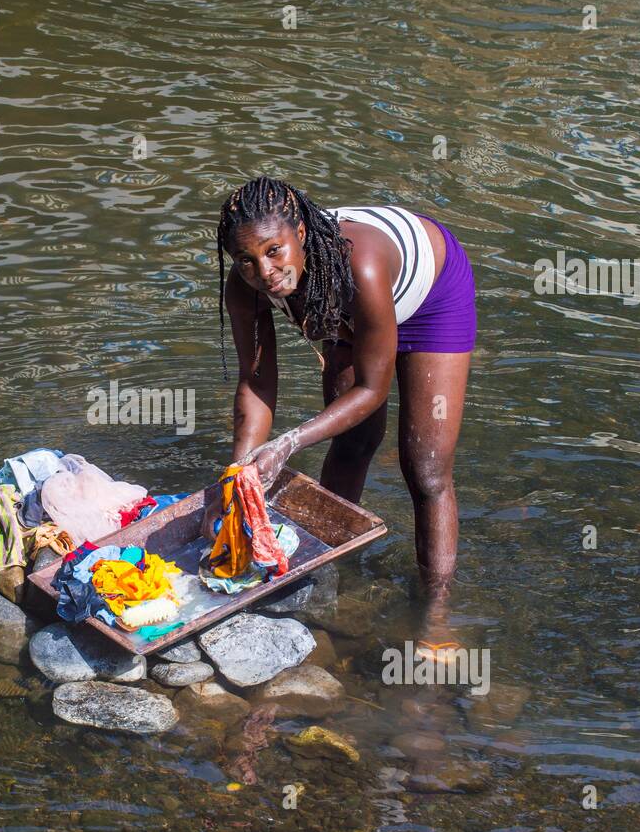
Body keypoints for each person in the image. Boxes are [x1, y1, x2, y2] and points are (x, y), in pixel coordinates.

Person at [202, 175, 476, 607]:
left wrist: (288, 444)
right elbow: (255, 382)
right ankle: (323, 571)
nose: (265, 273)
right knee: (352, 443)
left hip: (431, 299)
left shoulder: (356, 265)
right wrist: (236, 477)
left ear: (302, 235)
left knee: (426, 469)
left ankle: (436, 613)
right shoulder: (248, 285)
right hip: (343, 307)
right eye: (246, 260)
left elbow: (372, 388)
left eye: (274, 251)